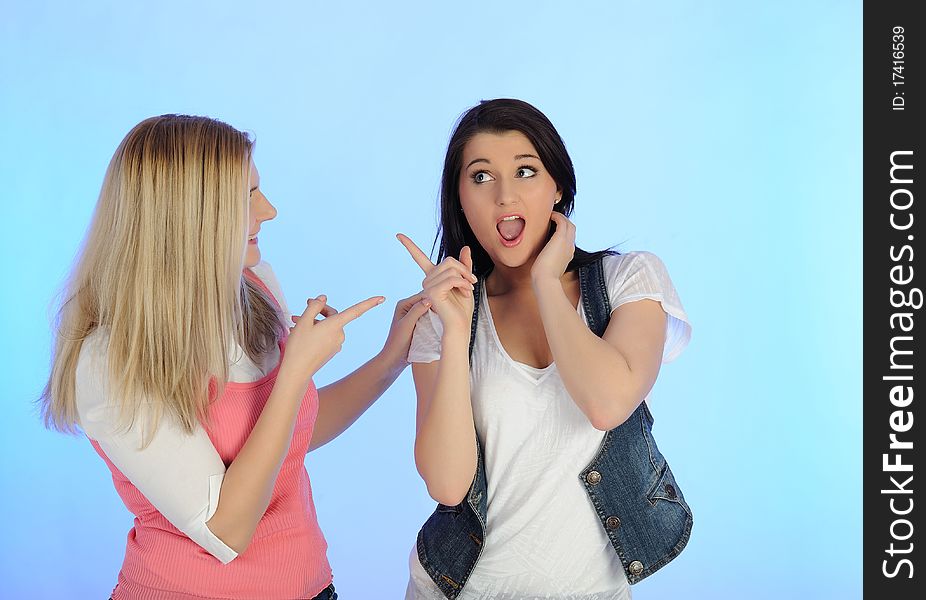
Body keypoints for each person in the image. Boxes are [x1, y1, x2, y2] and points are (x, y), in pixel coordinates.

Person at [39, 114, 427, 600]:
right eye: (246, 196)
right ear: (187, 214)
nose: (269, 210)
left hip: (311, 587)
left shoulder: (254, 286)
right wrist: (294, 373)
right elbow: (227, 531)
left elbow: (291, 434)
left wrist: (394, 356)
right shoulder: (110, 361)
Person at [398, 99, 694, 599]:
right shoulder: (445, 318)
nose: (504, 195)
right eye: (481, 177)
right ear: (461, 199)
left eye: (525, 171)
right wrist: (452, 332)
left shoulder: (630, 280)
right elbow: (448, 486)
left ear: (557, 185)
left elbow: (606, 403)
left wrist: (544, 281)